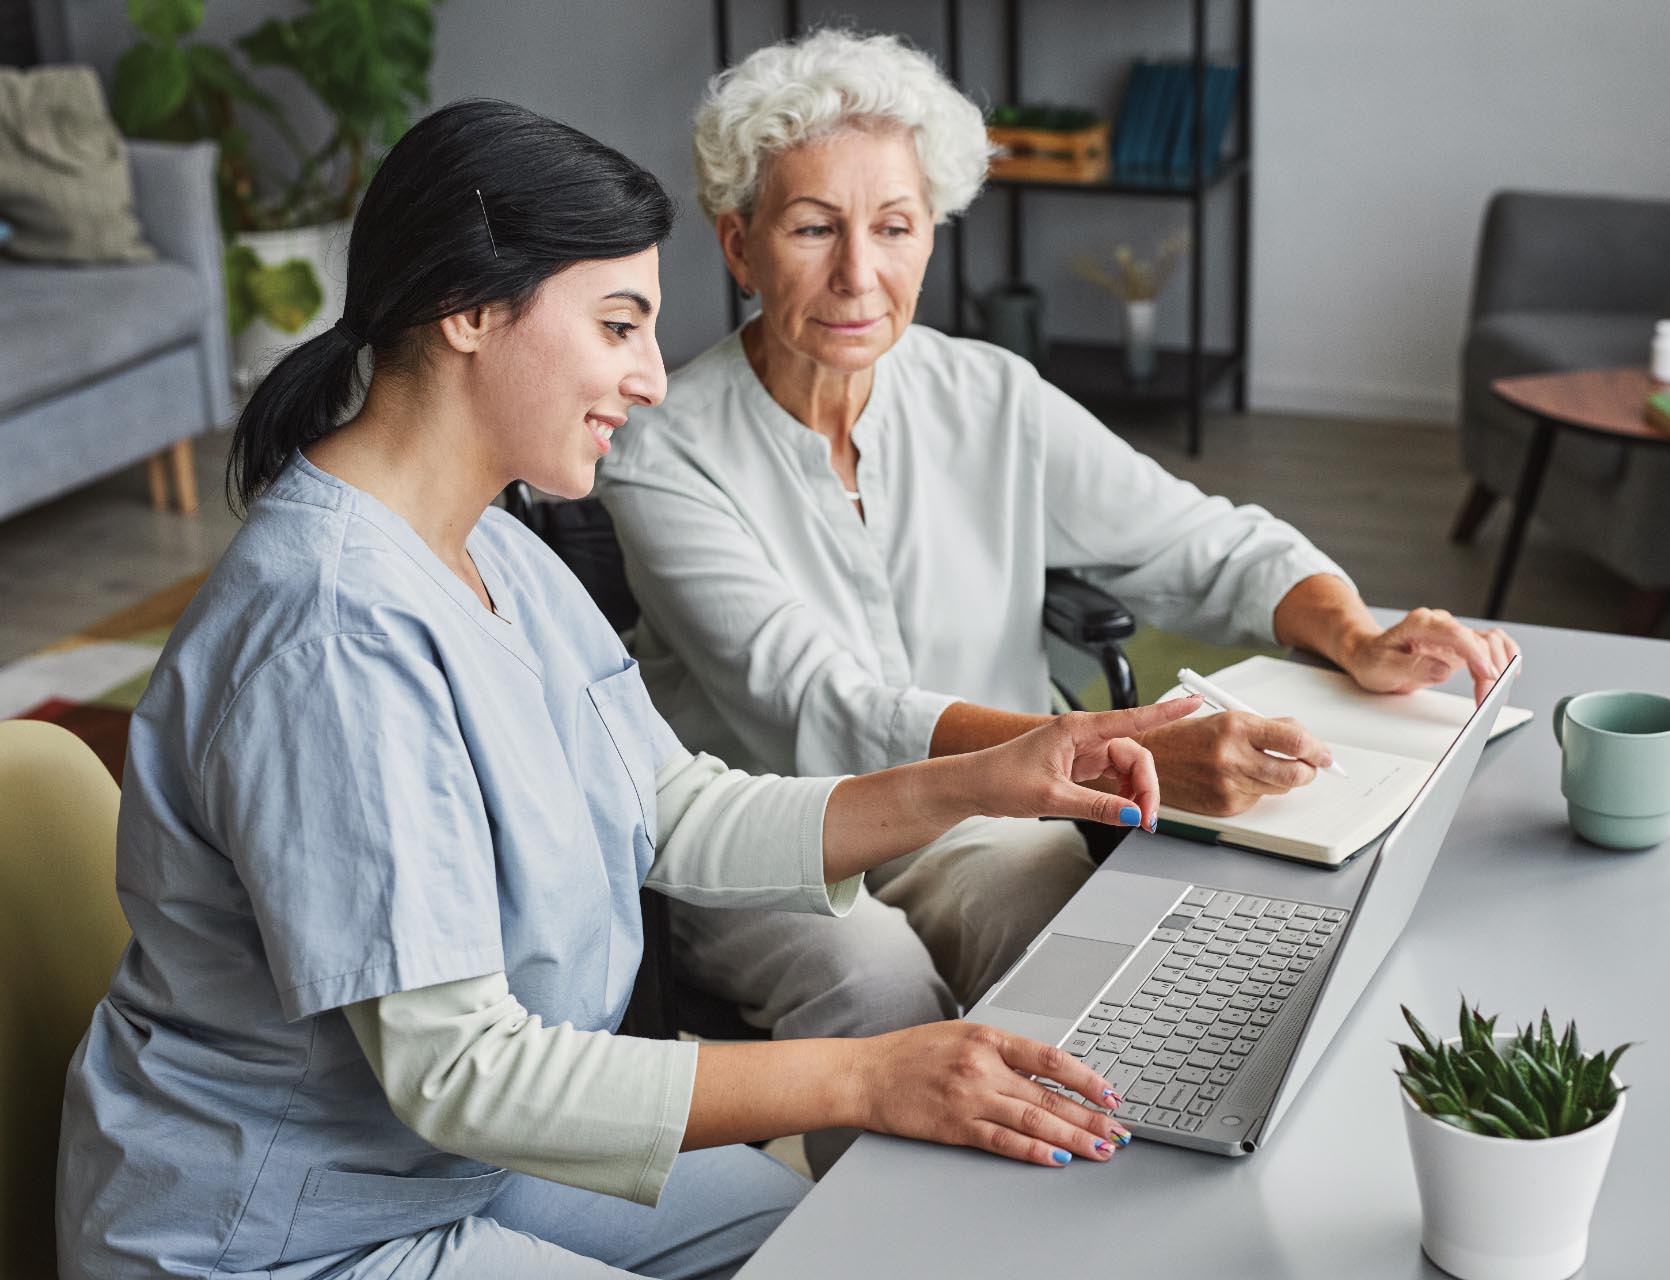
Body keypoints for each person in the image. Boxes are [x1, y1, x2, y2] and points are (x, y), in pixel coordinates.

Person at [55, 100, 1199, 1280]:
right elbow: (464, 1072)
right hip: (285, 1230)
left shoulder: (495, 546)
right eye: (618, 326)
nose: (652, 378)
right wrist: (871, 1070)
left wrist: (975, 782)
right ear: (470, 309)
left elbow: (673, 807)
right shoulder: (331, 631)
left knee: (853, 1247)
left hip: (454, 1157)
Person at [598, 29, 1520, 1172]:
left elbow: (1203, 540)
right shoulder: (662, 451)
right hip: (773, 842)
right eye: (811, 228)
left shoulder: (989, 394)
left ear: (930, 236)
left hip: (987, 825)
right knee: (876, 987)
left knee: (1119, 985)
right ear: (740, 245)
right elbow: (822, 703)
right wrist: (1090, 753)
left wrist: (1358, 631)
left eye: (893, 227)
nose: (858, 275)